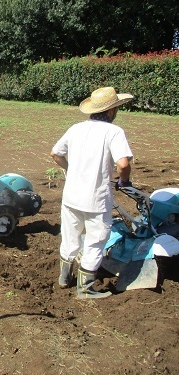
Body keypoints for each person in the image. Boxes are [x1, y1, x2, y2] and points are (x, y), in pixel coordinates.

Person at [50, 86, 134, 299]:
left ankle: (64, 277)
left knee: (70, 236)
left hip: (71, 196)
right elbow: (123, 164)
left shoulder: (76, 128)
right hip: (96, 199)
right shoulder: (114, 132)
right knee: (95, 240)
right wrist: (124, 181)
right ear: (111, 111)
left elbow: (55, 153)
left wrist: (71, 169)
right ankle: (85, 288)